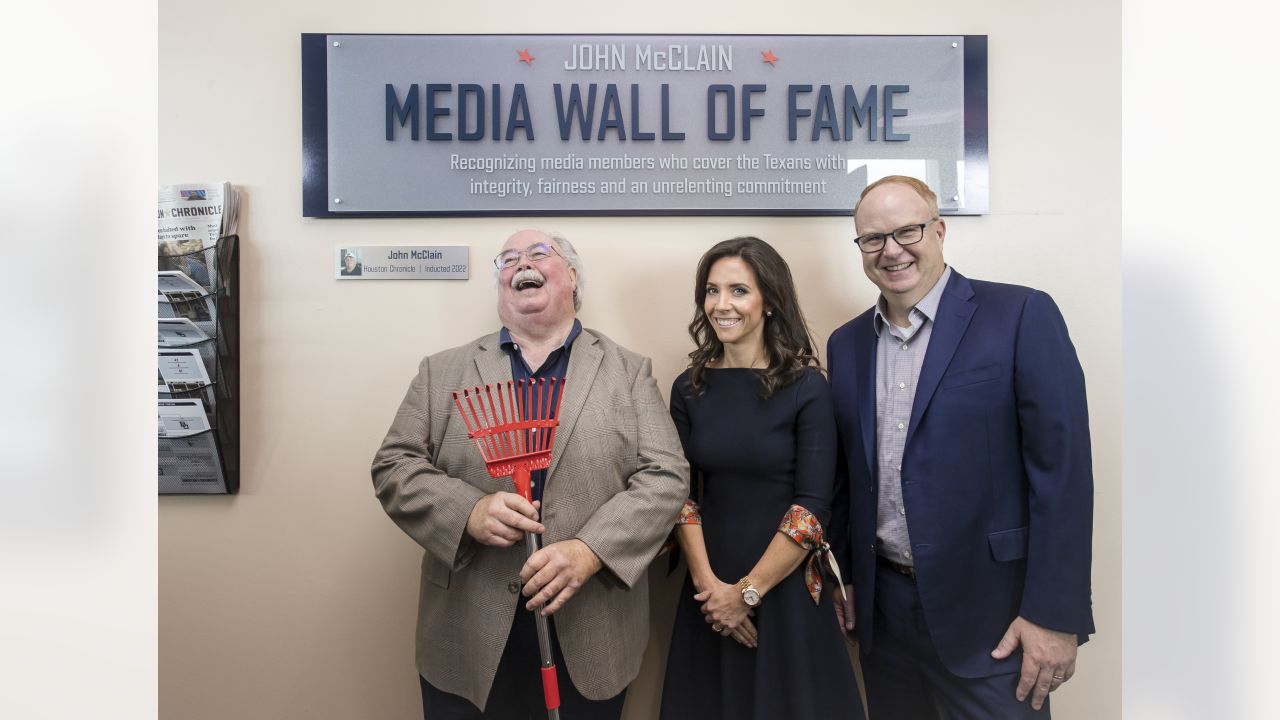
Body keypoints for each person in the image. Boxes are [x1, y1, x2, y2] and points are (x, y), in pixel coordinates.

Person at [372, 229, 689, 719]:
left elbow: (666, 475)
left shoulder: (627, 372)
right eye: (509, 258)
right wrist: (469, 511)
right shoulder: (443, 372)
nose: (522, 263)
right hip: (467, 631)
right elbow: (394, 465)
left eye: (540, 253)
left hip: (591, 628)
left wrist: (590, 550)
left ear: (573, 277)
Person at [826, 176, 1095, 718]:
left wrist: (1054, 615)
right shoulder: (847, 344)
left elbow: (1062, 473)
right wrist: (848, 580)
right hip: (886, 618)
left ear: (940, 230)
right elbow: (847, 478)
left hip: (996, 618)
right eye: (873, 239)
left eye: (907, 231)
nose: (891, 250)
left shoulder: (1019, 315)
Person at [660, 237, 863, 720]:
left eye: (738, 291)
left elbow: (812, 508)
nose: (721, 305)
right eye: (712, 291)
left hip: (786, 587)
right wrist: (713, 592)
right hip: (708, 585)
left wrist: (746, 594)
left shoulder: (807, 386)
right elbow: (680, 497)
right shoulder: (689, 388)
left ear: (769, 300)